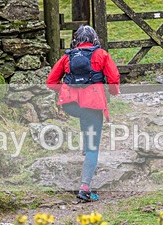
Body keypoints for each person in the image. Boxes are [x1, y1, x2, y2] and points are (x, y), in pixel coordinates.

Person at [46, 25, 120, 202]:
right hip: (93, 104)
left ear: (76, 40)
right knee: (93, 146)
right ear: (94, 39)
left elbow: (51, 82)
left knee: (85, 118)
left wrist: (65, 90)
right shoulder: (101, 54)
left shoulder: (68, 56)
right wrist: (113, 92)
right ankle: (85, 188)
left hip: (71, 106)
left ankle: (85, 150)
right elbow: (114, 79)